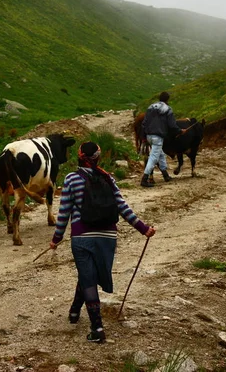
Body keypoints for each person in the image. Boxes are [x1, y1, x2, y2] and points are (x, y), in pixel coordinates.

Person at [49, 141, 156, 343]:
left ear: (79, 157)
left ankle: (97, 328)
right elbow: (123, 208)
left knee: (88, 278)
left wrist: (56, 239)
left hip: (82, 238)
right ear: (98, 157)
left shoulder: (71, 179)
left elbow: (63, 214)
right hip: (107, 238)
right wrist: (144, 229)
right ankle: (74, 312)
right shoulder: (108, 178)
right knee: (88, 274)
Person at [140, 91, 182, 187]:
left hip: (149, 136)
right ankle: (144, 179)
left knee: (161, 154)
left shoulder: (150, 107)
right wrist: (179, 131)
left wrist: (143, 137)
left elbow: (144, 123)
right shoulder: (168, 109)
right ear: (168, 99)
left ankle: (165, 175)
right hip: (158, 137)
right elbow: (172, 125)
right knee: (153, 157)